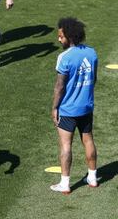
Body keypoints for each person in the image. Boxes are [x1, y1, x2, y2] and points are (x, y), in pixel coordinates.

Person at [50, 17, 98, 194]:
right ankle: (92, 178)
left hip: (68, 109)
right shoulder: (92, 53)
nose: (59, 39)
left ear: (69, 36)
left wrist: (55, 107)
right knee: (88, 140)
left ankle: (65, 183)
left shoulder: (64, 57)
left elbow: (60, 86)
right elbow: (94, 80)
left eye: (61, 36)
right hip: (86, 107)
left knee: (65, 145)